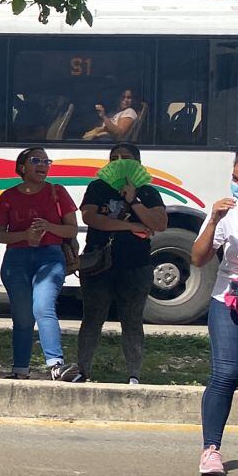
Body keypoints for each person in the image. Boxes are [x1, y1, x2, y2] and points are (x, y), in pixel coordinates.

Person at [75, 143, 167, 384]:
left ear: (136, 163)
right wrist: (131, 225)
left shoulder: (148, 192)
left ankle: (134, 374)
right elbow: (91, 218)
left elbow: (159, 223)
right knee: (92, 318)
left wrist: (134, 200)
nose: (118, 161)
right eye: (113, 158)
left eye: (124, 158)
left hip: (136, 265)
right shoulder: (97, 187)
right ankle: (82, 370)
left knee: (132, 320)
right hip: (98, 262)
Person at [193, 148, 238, 476]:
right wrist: (213, 220)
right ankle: (211, 448)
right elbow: (198, 259)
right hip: (228, 302)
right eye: (236, 179)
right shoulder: (226, 214)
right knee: (226, 374)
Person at [0, 147, 80, 380]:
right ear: (22, 167)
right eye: (36, 160)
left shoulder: (57, 192)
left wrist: (49, 227)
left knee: (43, 307)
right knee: (22, 317)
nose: (43, 165)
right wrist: (25, 235)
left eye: (46, 161)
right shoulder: (7, 197)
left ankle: (56, 364)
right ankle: (20, 369)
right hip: (16, 260)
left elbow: (72, 229)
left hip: (50, 257)